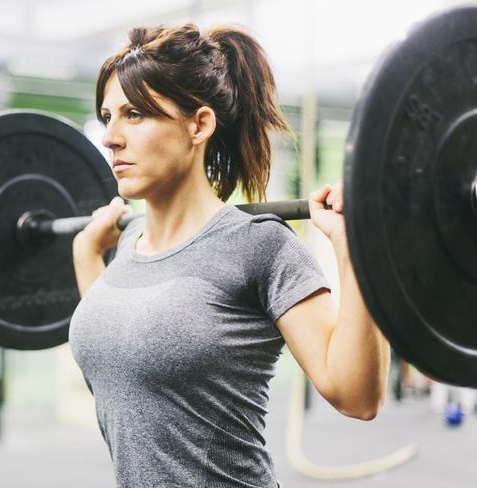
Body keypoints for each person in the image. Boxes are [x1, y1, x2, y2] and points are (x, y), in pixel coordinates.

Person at [69, 23, 390, 488]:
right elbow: (118, 367)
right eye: (108, 116)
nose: (111, 137)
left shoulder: (259, 245)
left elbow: (357, 397)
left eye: (135, 114)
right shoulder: (129, 243)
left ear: (199, 124)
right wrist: (86, 257)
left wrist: (357, 248)